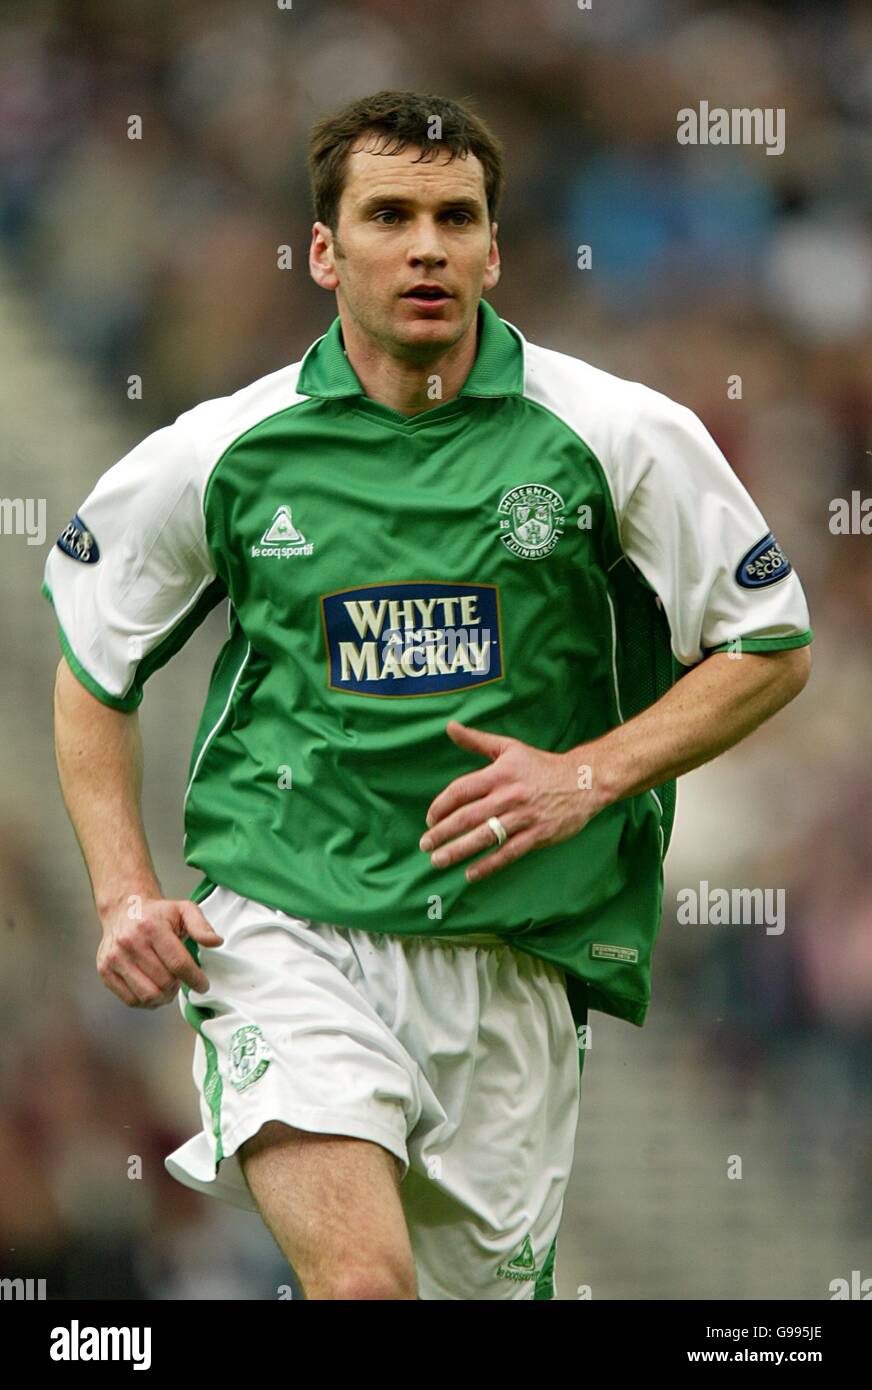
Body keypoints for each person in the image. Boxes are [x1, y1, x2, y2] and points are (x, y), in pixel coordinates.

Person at [42, 89, 813, 1300]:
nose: (424, 246)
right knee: (360, 1285)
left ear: (493, 250)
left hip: (508, 953)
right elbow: (96, 669)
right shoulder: (222, 451)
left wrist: (585, 772)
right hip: (288, 921)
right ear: (321, 251)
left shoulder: (616, 434)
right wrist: (123, 889)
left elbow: (769, 642)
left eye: (455, 218)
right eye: (388, 214)